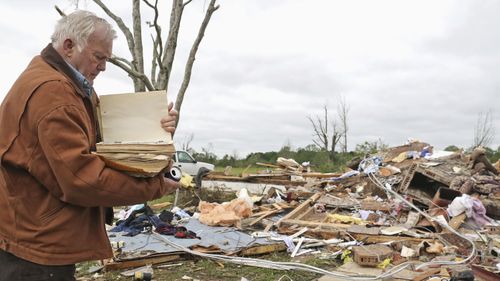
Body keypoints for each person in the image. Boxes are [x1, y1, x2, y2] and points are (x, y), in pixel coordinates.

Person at [0, 10, 180, 280]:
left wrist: (156, 128)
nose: (104, 66)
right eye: (99, 57)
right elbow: (83, 180)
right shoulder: (54, 92)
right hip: (37, 247)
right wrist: (156, 186)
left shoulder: (67, 85)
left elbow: (101, 140)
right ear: (69, 46)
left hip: (34, 233)